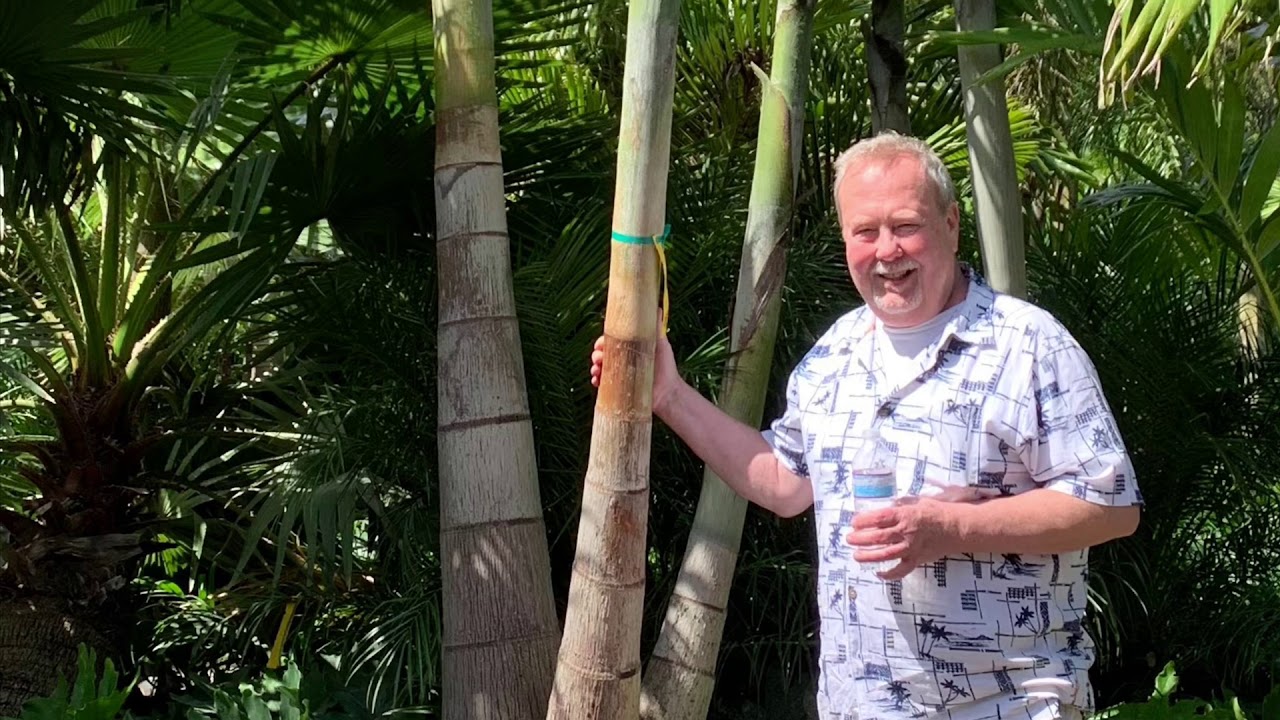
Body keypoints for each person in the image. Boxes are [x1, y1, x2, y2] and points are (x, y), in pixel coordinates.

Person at [590, 133, 1141, 720]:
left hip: (1004, 707)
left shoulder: (1029, 344)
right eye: (865, 232)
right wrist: (670, 396)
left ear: (951, 224)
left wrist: (953, 526)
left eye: (906, 226)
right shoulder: (836, 352)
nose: (886, 251)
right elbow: (784, 481)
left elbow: (1110, 505)